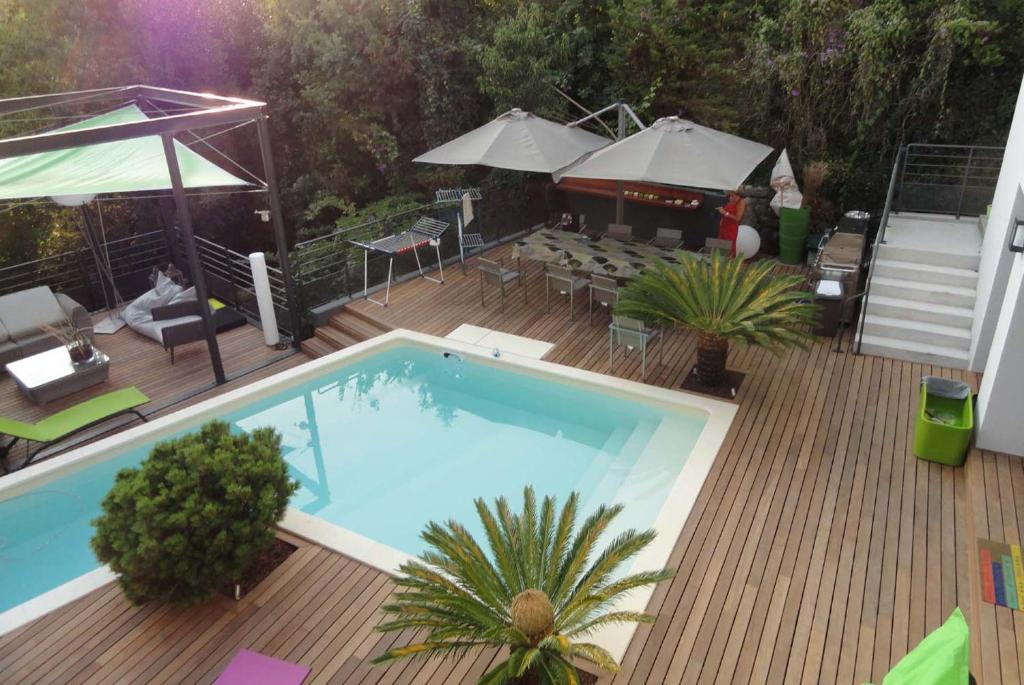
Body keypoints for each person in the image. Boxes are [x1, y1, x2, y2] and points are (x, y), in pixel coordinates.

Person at [716, 190, 746, 256]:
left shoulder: (741, 201)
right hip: (724, 226)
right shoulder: (730, 198)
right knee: (721, 245)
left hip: (731, 227)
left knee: (729, 246)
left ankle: (729, 263)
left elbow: (738, 218)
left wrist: (725, 213)